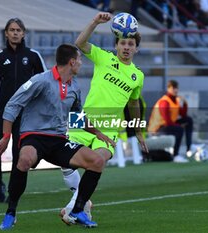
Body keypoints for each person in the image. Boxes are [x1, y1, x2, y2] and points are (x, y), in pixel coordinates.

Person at [0, 44, 116, 230]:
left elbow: (77, 117)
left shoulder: (74, 86)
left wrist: (98, 133)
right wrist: (6, 136)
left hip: (58, 140)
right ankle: (11, 213)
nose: (81, 63)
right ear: (72, 62)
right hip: (34, 136)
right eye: (80, 60)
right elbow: (12, 105)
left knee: (97, 161)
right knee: (24, 159)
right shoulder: (40, 80)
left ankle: (77, 210)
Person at [60, 12, 148, 222]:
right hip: (83, 118)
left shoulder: (138, 76)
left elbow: (134, 103)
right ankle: (82, 202)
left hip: (109, 126)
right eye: (123, 43)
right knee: (64, 161)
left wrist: (137, 131)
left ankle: (77, 207)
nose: (126, 47)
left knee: (97, 160)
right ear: (117, 45)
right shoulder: (103, 57)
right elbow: (79, 43)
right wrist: (95, 22)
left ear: (136, 48)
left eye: (131, 44)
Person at [0, 18, 46, 202]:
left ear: (23, 33)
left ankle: (13, 191)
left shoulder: (33, 56)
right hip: (3, 116)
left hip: (26, 116)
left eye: (18, 30)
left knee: (19, 154)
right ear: (6, 33)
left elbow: (45, 84)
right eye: (12, 30)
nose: (15, 33)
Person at [147, 80, 192, 163]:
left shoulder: (176, 100)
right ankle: (176, 155)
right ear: (168, 89)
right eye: (173, 88)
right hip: (157, 128)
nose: (176, 90)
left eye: (177, 88)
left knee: (188, 120)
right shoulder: (164, 102)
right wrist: (179, 126)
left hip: (168, 125)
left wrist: (184, 103)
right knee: (179, 129)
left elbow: (183, 115)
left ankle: (189, 148)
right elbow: (167, 121)